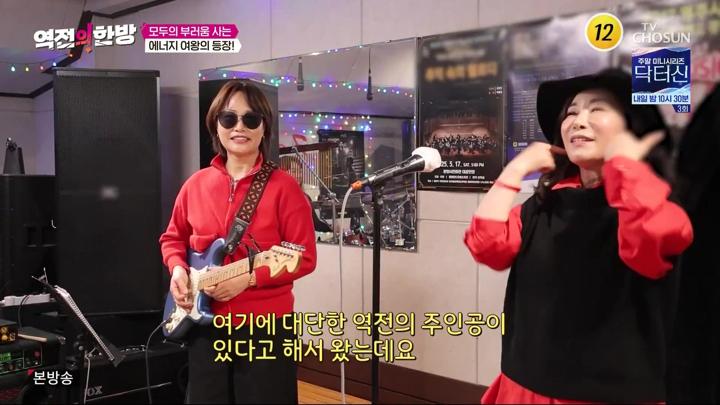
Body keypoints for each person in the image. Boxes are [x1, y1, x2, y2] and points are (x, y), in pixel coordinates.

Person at [464, 69, 693, 404]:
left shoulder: (657, 203)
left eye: (597, 109)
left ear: (632, 127)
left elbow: (648, 245)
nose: (578, 122)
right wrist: (515, 170)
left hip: (610, 395)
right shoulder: (544, 203)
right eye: (571, 113)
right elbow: (488, 247)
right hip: (525, 385)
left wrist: (625, 167)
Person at [159, 80, 317, 404]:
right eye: (229, 118)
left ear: (264, 127)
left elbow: (304, 257)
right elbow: (172, 238)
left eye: (251, 119)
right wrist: (177, 270)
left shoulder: (285, 188)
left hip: (265, 326)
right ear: (216, 125)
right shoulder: (194, 185)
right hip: (204, 327)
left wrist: (247, 279)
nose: (239, 127)